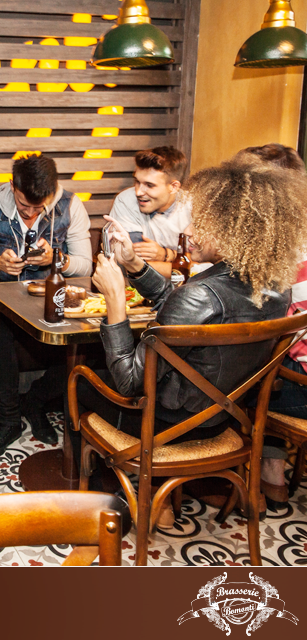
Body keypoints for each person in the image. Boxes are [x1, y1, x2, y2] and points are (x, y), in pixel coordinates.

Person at [87, 154, 307, 526]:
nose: (189, 230)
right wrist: (135, 266)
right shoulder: (272, 288)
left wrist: (114, 302)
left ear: (234, 233)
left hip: (166, 425)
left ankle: (122, 499)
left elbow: (129, 381)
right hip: (222, 419)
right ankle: (165, 493)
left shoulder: (200, 294)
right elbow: (181, 313)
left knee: (80, 382)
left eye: (202, 224)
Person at [0, 153, 93, 458]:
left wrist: (57, 259)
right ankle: (10, 420)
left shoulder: (71, 206)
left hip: (56, 298)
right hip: (8, 302)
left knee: (87, 341)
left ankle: (35, 401)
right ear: (12, 186)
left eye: (38, 208)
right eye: (24, 205)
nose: (30, 213)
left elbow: (86, 266)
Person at [234, 144, 307, 506]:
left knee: (225, 372)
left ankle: (221, 476)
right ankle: (272, 474)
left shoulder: (282, 248)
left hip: (300, 391)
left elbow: (252, 314)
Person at [109, 146, 191, 263]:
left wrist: (167, 254)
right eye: (137, 182)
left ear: (173, 187)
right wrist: (177, 258)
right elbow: (134, 263)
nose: (138, 192)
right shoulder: (126, 201)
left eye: (149, 185)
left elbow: (207, 264)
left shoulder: (195, 207)